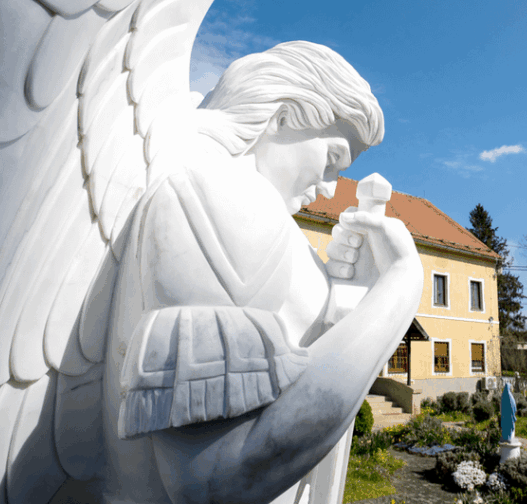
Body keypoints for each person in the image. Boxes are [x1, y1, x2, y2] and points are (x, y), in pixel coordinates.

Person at [101, 41, 423, 504]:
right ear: (282, 115)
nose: (330, 186)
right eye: (332, 158)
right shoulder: (218, 196)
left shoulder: (246, 208)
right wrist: (401, 284)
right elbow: (214, 476)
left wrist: (343, 298)